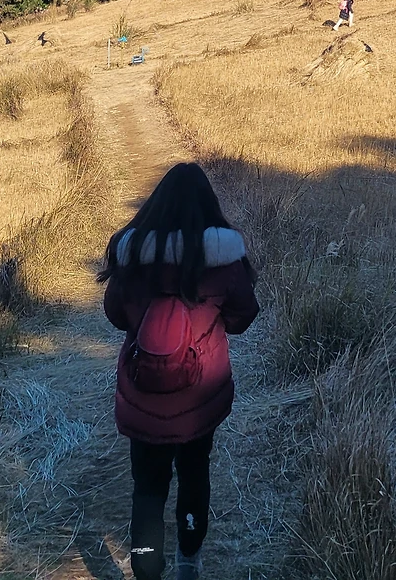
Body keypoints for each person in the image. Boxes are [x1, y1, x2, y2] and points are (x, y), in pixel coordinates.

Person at [100, 163, 259, 580]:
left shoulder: (132, 257)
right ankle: (189, 560)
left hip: (143, 398)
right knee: (194, 474)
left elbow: (115, 313)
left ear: (155, 206)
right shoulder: (224, 260)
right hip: (199, 401)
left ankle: (146, 566)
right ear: (209, 206)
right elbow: (243, 317)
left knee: (148, 488)